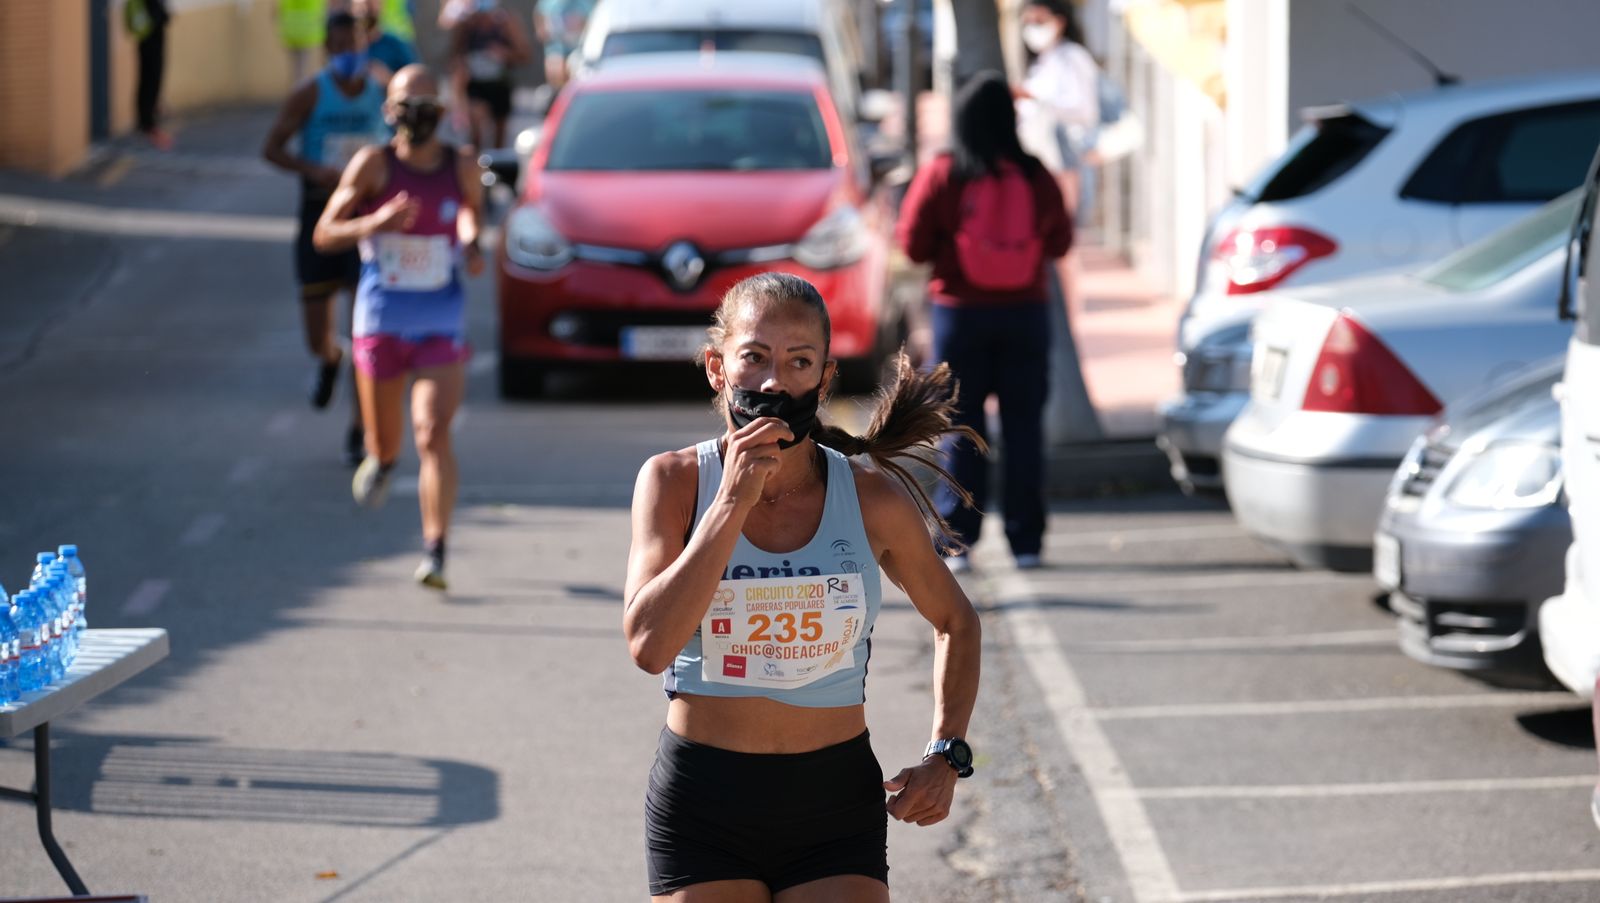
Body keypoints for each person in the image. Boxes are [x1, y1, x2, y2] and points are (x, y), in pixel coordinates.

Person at [623, 272, 984, 901]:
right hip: (704, 802)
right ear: (717, 368)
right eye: (754, 358)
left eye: (798, 362)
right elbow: (650, 646)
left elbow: (955, 620)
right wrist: (732, 501)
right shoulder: (674, 483)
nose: (773, 383)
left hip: (833, 803)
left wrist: (946, 751)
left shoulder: (870, 498)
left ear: (823, 379)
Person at [313, 65, 485, 590]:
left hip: (439, 319)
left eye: (428, 104)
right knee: (387, 443)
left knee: (433, 432)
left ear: (442, 111)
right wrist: (374, 222)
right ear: (389, 112)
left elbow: (470, 215)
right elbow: (325, 233)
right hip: (381, 320)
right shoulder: (373, 165)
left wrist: (472, 241)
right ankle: (382, 460)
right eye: (407, 105)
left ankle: (435, 551)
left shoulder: (461, 165)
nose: (418, 115)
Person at [895, 71, 1073, 573]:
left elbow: (912, 244)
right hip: (1026, 314)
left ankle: (957, 542)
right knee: (1024, 430)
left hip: (960, 315)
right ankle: (1027, 543)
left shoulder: (945, 173)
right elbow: (1060, 242)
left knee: (960, 428)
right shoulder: (1036, 175)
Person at [263, 11, 389, 467]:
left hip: (367, 219)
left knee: (364, 333)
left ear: (365, 42)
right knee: (318, 336)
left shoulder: (383, 89)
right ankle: (328, 359)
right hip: (319, 214)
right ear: (326, 49)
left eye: (352, 45)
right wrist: (312, 169)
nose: (345, 55)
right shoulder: (310, 93)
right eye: (336, 47)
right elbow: (271, 148)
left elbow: (405, 143)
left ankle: (359, 430)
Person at [449, 0, 531, 150]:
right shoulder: (467, 26)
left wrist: (504, 53)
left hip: (499, 84)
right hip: (475, 85)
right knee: (476, 126)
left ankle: (496, 166)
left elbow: (525, 55)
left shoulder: (507, 23)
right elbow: (455, 56)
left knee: (499, 133)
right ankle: (476, 164)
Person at [126, 0, 173, 150]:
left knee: (148, 79)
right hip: (151, 40)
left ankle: (147, 121)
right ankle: (148, 124)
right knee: (151, 79)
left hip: (148, 39)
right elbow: (160, 15)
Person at [533, 0, 595, 93]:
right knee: (555, 65)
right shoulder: (547, 3)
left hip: (580, 51)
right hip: (556, 50)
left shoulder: (586, 3)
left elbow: (593, 22)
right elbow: (539, 19)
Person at [354, 0, 417, 79]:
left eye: (370, 5)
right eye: (360, 6)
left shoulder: (395, 45)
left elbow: (416, 80)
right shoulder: (344, 45)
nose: (365, 11)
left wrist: (388, 79)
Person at [277, 0, 327, 85]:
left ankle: (298, 93)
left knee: (297, 72)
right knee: (305, 72)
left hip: (292, 31)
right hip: (309, 33)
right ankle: (302, 94)